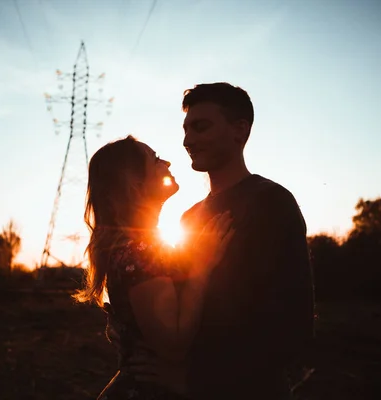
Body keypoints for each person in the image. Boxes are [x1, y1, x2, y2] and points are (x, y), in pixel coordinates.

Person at [122, 82, 316, 399]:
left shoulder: (271, 203)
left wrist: (196, 382)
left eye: (200, 127)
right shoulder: (188, 218)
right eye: (185, 129)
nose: (188, 140)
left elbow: (292, 325)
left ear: (240, 131)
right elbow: (184, 310)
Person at [74, 135, 235, 400]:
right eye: (155, 159)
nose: (167, 162)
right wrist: (202, 267)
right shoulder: (137, 253)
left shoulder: (144, 246)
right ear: (134, 182)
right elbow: (174, 344)